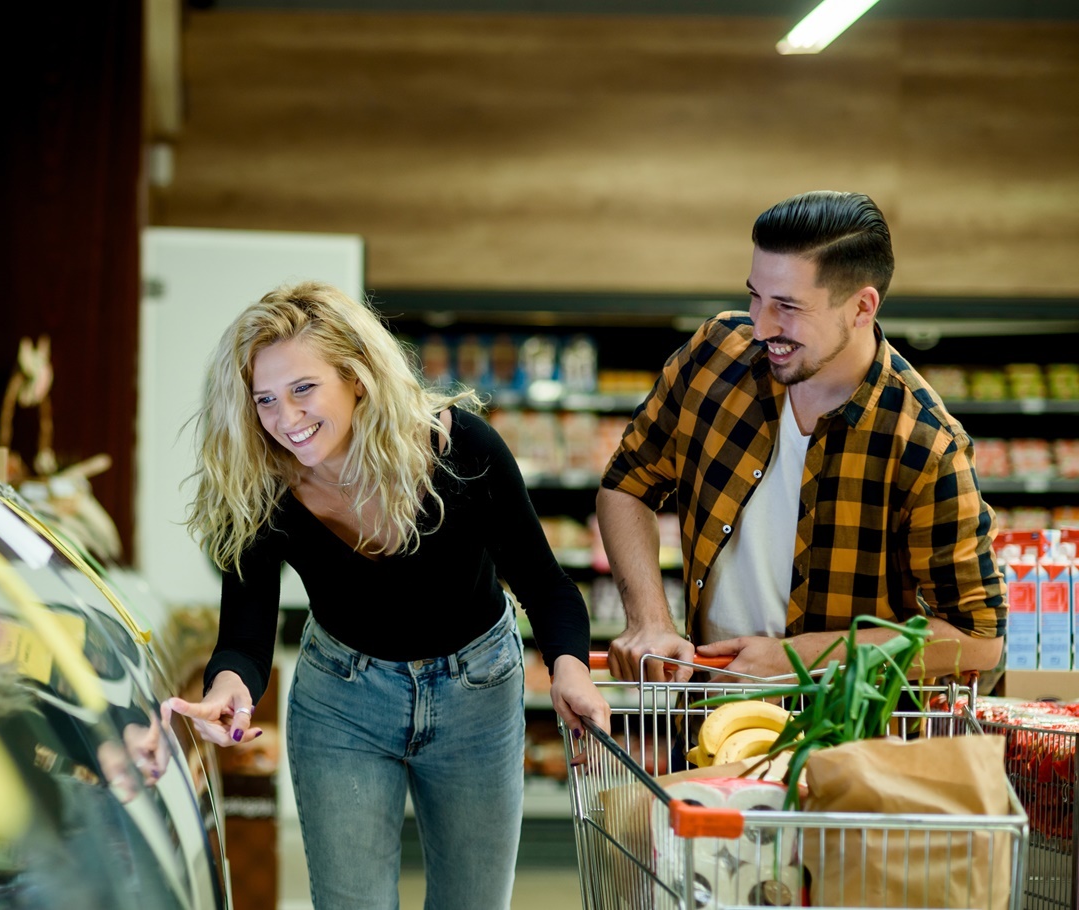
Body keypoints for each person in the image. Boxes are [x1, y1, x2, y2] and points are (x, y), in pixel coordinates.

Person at [166, 282, 607, 910]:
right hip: (341, 703)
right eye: (264, 399)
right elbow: (245, 628)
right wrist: (229, 686)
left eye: (303, 389)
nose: (285, 419)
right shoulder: (259, 486)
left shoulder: (459, 450)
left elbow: (546, 585)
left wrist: (570, 669)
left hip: (477, 696)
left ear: (358, 377)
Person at [601, 191, 1006, 684]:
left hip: (849, 742)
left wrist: (802, 656)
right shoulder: (714, 356)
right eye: (755, 295)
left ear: (862, 307)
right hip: (705, 715)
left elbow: (978, 640)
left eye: (788, 307)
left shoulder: (925, 444)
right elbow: (627, 483)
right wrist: (649, 619)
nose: (760, 325)